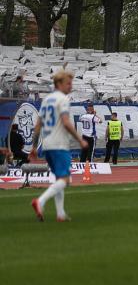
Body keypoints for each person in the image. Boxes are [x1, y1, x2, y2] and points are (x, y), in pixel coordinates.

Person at [28, 70, 88, 222]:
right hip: (59, 144)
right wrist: (80, 140)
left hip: (47, 144)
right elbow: (66, 122)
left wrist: (34, 147)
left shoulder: (47, 100)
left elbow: (38, 125)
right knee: (65, 180)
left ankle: (60, 214)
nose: (70, 86)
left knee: (59, 179)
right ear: (59, 84)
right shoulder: (62, 99)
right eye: (68, 83)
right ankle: (40, 202)